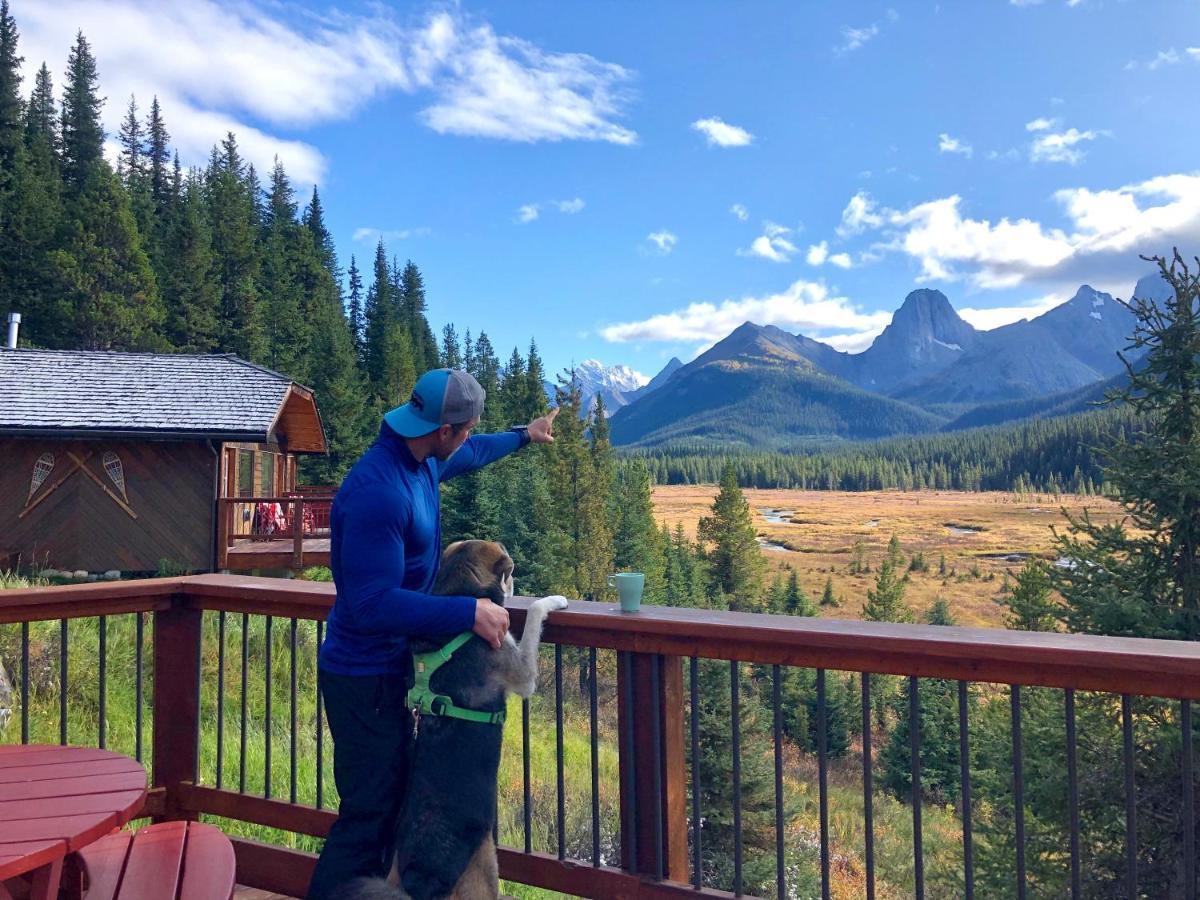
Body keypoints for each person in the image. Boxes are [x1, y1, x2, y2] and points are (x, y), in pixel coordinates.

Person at [307, 368, 558, 899]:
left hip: (386, 674)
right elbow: (371, 604)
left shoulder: (418, 460)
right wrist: (467, 614)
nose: (467, 439)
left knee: (387, 816)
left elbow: (473, 453)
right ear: (443, 430)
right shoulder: (380, 491)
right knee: (366, 822)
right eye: (464, 430)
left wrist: (523, 435)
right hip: (362, 679)